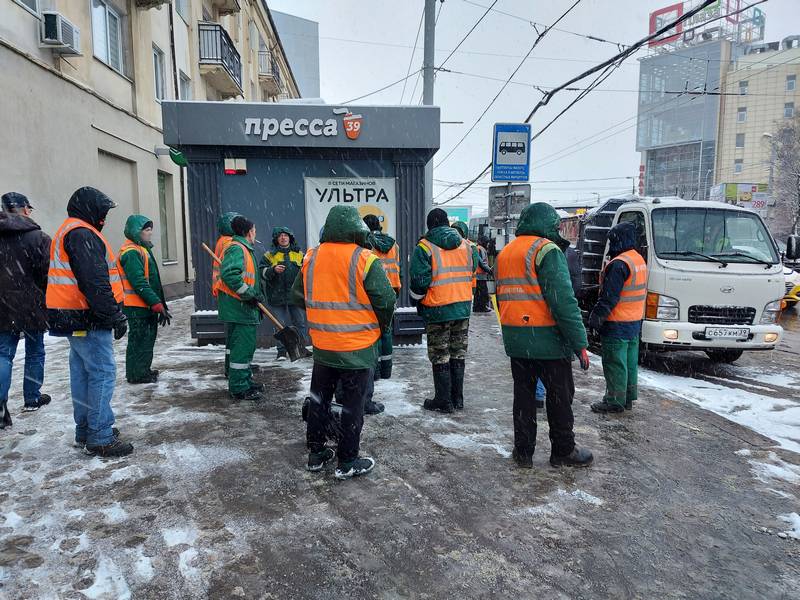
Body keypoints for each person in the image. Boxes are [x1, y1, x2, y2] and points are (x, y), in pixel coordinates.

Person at [292, 205, 396, 479]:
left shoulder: (311, 257)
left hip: (324, 346)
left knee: (319, 400)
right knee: (352, 406)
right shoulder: (364, 259)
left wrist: (323, 314)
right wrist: (379, 326)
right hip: (357, 348)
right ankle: (347, 461)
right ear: (355, 229)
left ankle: (316, 453)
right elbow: (385, 301)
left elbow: (297, 296)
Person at [495, 203, 593, 469]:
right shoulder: (546, 250)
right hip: (548, 339)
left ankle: (523, 452)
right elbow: (563, 302)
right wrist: (579, 343)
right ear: (549, 224)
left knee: (524, 397)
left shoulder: (505, 253)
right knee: (559, 396)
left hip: (517, 339)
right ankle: (563, 450)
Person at [47, 187, 131, 456]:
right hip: (88, 316)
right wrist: (113, 315)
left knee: (83, 373)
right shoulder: (83, 234)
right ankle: (100, 435)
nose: (104, 217)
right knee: (102, 372)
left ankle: (86, 428)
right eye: (103, 212)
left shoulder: (71, 230)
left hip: (74, 316)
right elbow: (95, 283)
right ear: (91, 210)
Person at [410, 209, 476, 413]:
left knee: (440, 354)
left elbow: (420, 282)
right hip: (463, 307)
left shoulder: (425, 247)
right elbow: (471, 271)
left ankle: (443, 400)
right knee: (458, 352)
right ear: (448, 223)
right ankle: (458, 399)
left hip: (438, 308)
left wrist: (418, 300)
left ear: (429, 225)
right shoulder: (467, 246)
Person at [0, 192, 51, 428]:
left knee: (3, 354)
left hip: (2, 305)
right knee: (34, 350)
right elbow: (47, 274)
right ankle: (32, 397)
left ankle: (0, 406)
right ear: (23, 209)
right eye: (28, 209)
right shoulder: (39, 237)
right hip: (32, 304)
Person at [588, 222, 647, 414]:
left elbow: (609, 297)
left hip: (617, 322)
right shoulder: (637, 259)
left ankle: (614, 400)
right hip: (634, 321)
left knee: (614, 362)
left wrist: (596, 318)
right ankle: (627, 397)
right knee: (629, 362)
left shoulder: (619, 264)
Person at [215, 216, 264, 402]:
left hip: (241, 307)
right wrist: (249, 294)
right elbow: (229, 274)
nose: (255, 233)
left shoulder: (242, 248)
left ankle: (244, 381)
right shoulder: (237, 248)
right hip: (240, 307)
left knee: (242, 347)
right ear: (248, 232)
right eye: (254, 230)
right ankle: (239, 388)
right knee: (242, 348)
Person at [117, 215, 171, 385]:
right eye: (146, 230)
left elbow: (152, 280)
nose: (150, 234)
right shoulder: (131, 252)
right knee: (139, 339)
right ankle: (136, 374)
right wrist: (156, 303)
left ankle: (143, 370)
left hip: (145, 306)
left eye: (150, 230)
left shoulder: (141, 249)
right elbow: (139, 282)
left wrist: (159, 304)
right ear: (136, 232)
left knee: (147, 338)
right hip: (136, 307)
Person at [259, 226, 310, 361]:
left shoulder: (300, 254)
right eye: (280, 236)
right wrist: (273, 270)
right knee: (279, 324)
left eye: (286, 235)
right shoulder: (269, 255)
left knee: (300, 323)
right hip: (276, 296)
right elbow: (261, 273)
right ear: (276, 239)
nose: (283, 238)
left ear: (290, 237)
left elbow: (307, 272)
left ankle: (301, 349)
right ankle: (281, 352)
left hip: (295, 295)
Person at [213, 212, 240, 377]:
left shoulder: (223, 241)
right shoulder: (230, 243)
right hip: (230, 293)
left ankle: (232, 366)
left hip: (224, 291)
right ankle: (234, 368)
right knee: (235, 334)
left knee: (232, 335)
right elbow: (231, 272)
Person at [451, 222, 493, 314]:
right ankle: (480, 308)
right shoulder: (473, 247)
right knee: (482, 293)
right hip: (477, 277)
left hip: (468, 279)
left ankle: (478, 307)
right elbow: (480, 263)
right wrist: (490, 271)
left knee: (479, 294)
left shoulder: (473, 247)